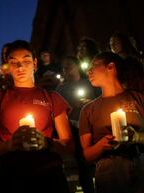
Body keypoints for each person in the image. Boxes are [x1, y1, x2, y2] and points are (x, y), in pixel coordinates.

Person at [0, 40, 74, 193]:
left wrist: (45, 142)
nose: (20, 67)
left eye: (26, 61)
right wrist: (9, 145)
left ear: (35, 63)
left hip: (48, 175)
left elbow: (69, 145)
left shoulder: (52, 98)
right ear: (7, 67)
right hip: (10, 176)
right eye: (13, 62)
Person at [79, 52, 144, 193]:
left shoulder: (141, 99)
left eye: (94, 65)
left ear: (110, 66)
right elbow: (87, 155)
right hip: (110, 171)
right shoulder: (88, 110)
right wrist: (101, 145)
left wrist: (138, 137)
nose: (88, 71)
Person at [56, 56, 99, 193]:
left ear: (77, 66)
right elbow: (59, 114)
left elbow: (101, 102)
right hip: (74, 127)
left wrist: (90, 104)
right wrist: (73, 106)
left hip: (93, 126)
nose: (66, 68)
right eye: (64, 66)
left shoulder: (90, 83)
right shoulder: (61, 89)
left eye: (69, 64)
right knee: (82, 163)